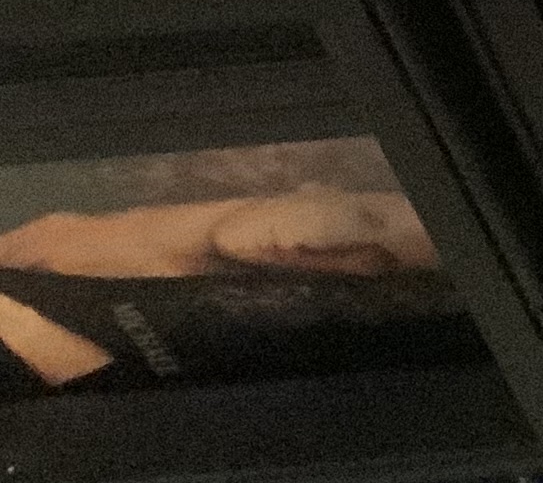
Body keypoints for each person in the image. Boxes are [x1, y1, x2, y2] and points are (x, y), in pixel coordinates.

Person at [0, 167, 467, 395]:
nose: (330, 246)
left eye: (377, 261)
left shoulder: (207, 339)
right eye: (366, 218)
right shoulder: (69, 186)